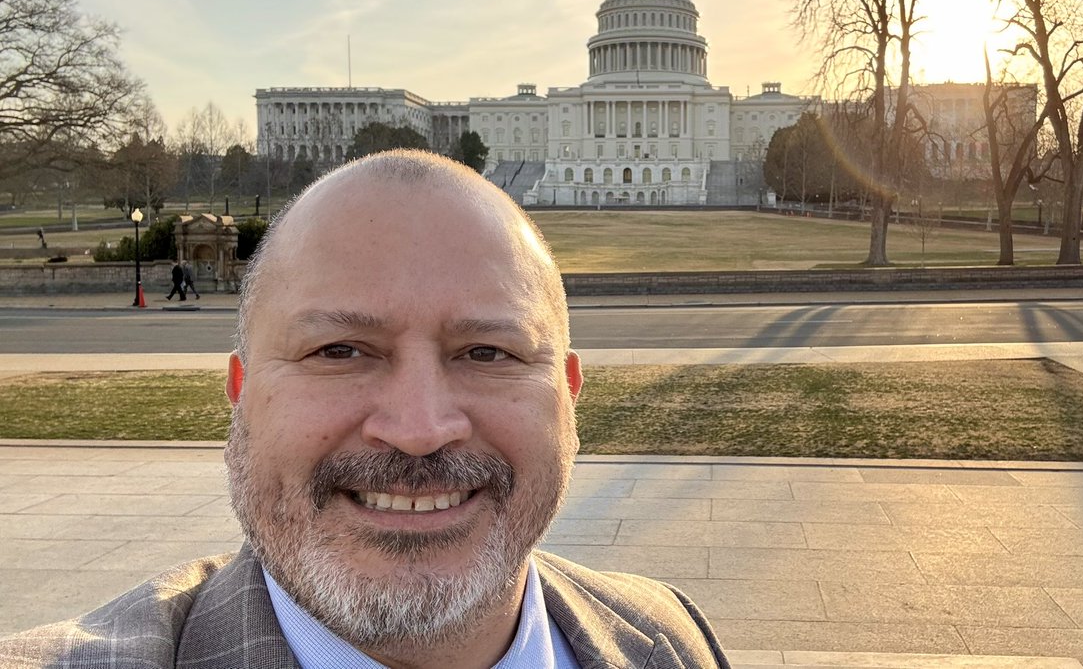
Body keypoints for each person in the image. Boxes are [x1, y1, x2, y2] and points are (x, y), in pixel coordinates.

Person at [0, 149, 731, 669]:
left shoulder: (667, 639)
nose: (418, 431)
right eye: (340, 351)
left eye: (487, 353)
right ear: (242, 394)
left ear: (568, 396)